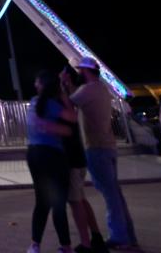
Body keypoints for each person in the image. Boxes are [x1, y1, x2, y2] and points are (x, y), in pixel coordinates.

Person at [66, 57, 140, 251]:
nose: (78, 73)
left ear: (86, 71)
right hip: (109, 146)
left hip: (96, 148)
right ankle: (128, 235)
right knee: (115, 194)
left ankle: (120, 237)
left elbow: (66, 104)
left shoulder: (87, 90)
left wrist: (64, 84)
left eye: (80, 70)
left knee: (110, 195)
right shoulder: (101, 89)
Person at [25, 70, 75, 253]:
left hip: (34, 155)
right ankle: (65, 246)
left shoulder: (34, 103)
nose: (34, 85)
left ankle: (35, 244)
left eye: (37, 82)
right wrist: (63, 93)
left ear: (41, 85)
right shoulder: (54, 105)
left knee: (41, 202)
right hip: (53, 156)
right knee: (58, 203)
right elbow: (72, 119)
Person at [61, 66, 107, 253]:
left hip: (72, 155)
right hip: (80, 153)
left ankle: (86, 244)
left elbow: (67, 115)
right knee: (80, 198)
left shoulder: (75, 99)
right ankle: (95, 236)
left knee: (74, 201)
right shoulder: (89, 94)